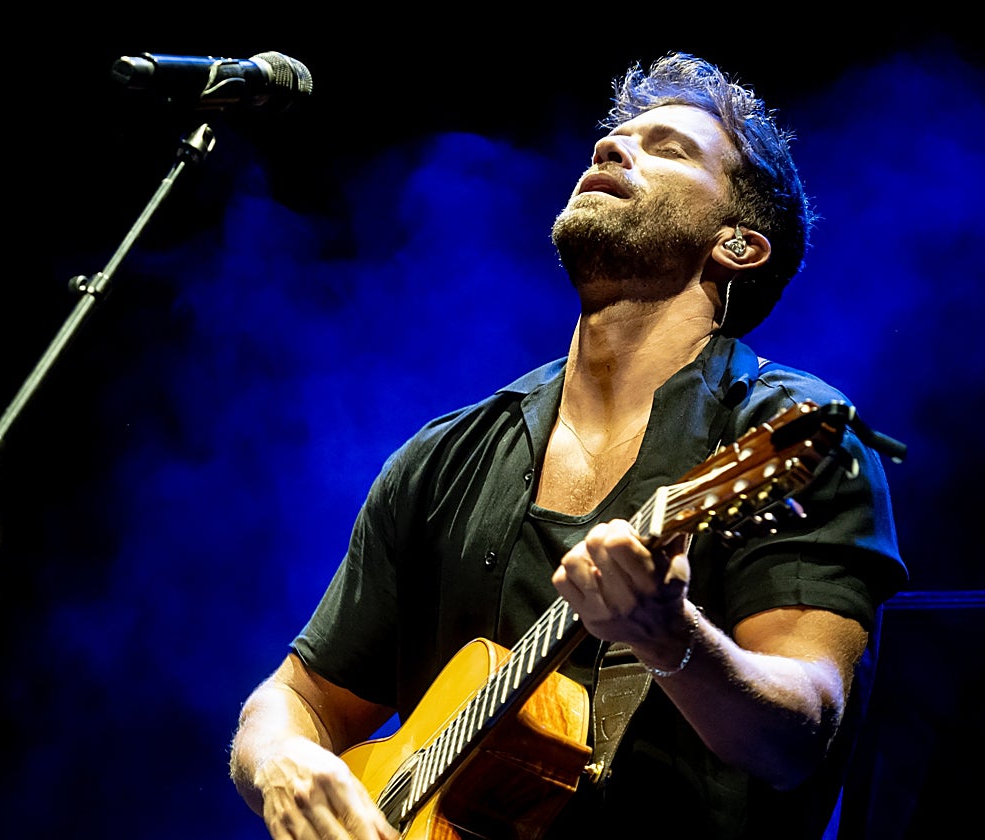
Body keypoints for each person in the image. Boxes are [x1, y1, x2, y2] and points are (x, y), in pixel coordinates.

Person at [228, 51, 907, 840]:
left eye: (669, 148)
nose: (612, 147)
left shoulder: (786, 429)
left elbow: (801, 736)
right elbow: (300, 698)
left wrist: (668, 635)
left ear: (738, 245)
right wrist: (280, 759)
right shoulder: (446, 456)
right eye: (615, 137)